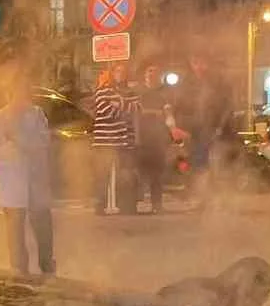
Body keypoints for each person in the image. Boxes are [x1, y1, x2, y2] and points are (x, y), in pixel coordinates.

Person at [0, 85, 55, 275]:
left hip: (36, 180)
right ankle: (19, 269)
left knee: (43, 226)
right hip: (12, 183)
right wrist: (22, 146)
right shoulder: (0, 118)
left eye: (23, 96)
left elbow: (43, 141)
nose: (20, 101)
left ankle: (47, 265)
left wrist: (20, 142)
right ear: (9, 96)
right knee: (15, 230)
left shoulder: (36, 115)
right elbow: (1, 150)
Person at [174, 55, 230, 206]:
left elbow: (226, 108)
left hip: (212, 131)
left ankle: (213, 198)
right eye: (195, 63)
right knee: (195, 165)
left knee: (212, 165)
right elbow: (178, 107)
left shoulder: (218, 83)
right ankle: (198, 197)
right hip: (193, 132)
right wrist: (179, 127)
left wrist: (220, 127)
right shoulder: (187, 84)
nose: (199, 67)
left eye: (202, 63)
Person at [91, 65, 140, 214]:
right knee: (102, 175)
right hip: (105, 141)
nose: (121, 74)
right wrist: (126, 106)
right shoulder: (102, 90)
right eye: (118, 71)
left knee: (126, 175)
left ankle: (126, 205)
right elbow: (107, 112)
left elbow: (138, 109)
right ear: (112, 73)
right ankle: (100, 206)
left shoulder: (130, 91)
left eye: (124, 71)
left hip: (125, 141)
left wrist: (119, 104)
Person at [135, 64, 175, 214]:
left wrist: (172, 130)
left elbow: (168, 113)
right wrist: (154, 113)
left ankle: (156, 205)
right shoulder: (138, 91)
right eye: (149, 71)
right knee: (139, 171)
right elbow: (136, 111)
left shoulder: (163, 93)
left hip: (158, 138)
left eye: (155, 71)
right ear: (145, 74)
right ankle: (134, 203)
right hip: (141, 136)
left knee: (157, 174)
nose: (152, 74)